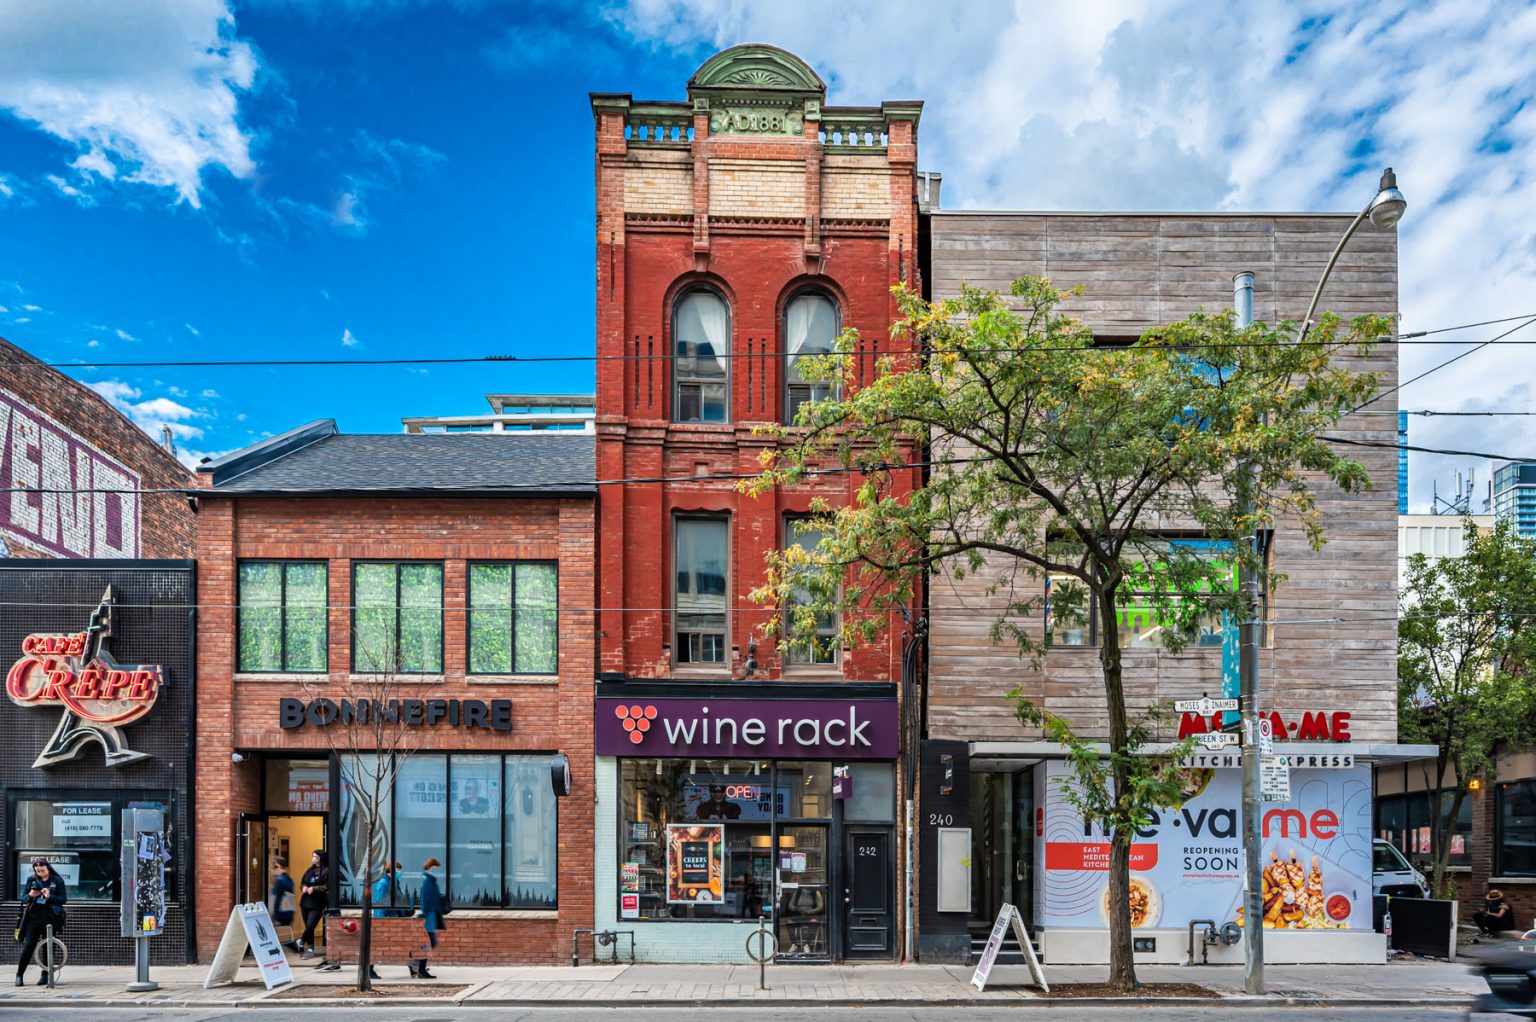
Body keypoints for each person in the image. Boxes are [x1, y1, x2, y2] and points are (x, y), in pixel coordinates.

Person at [15, 856, 67, 987]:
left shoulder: (57, 880)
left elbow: (63, 899)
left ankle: (45, 975)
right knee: (28, 946)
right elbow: (23, 897)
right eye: (37, 871)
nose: (40, 873)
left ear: (48, 868)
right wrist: (30, 895)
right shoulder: (31, 880)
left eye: (42, 870)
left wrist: (50, 896)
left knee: (48, 947)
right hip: (33, 918)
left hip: (51, 918)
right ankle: (19, 975)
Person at [410, 858, 446, 979]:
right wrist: (425, 914)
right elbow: (425, 901)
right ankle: (418, 967)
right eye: (436, 869)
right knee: (429, 943)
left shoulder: (430, 881)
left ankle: (416, 965)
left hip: (432, 916)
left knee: (429, 943)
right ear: (431, 868)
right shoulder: (427, 882)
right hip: (429, 917)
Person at [297, 849, 328, 960]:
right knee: (308, 928)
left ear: (322, 858)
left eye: (316, 857)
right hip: (305, 902)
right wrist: (304, 887)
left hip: (317, 903)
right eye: (313, 856)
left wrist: (314, 889)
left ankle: (301, 941)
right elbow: (302, 882)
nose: (314, 859)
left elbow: (327, 886)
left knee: (311, 925)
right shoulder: (309, 870)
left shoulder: (326, 871)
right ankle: (310, 949)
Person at [270, 857, 296, 945]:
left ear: (278, 866)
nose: (271, 870)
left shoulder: (279, 880)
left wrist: (274, 914)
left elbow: (277, 899)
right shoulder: (289, 880)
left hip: (280, 914)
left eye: (273, 867)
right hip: (289, 913)